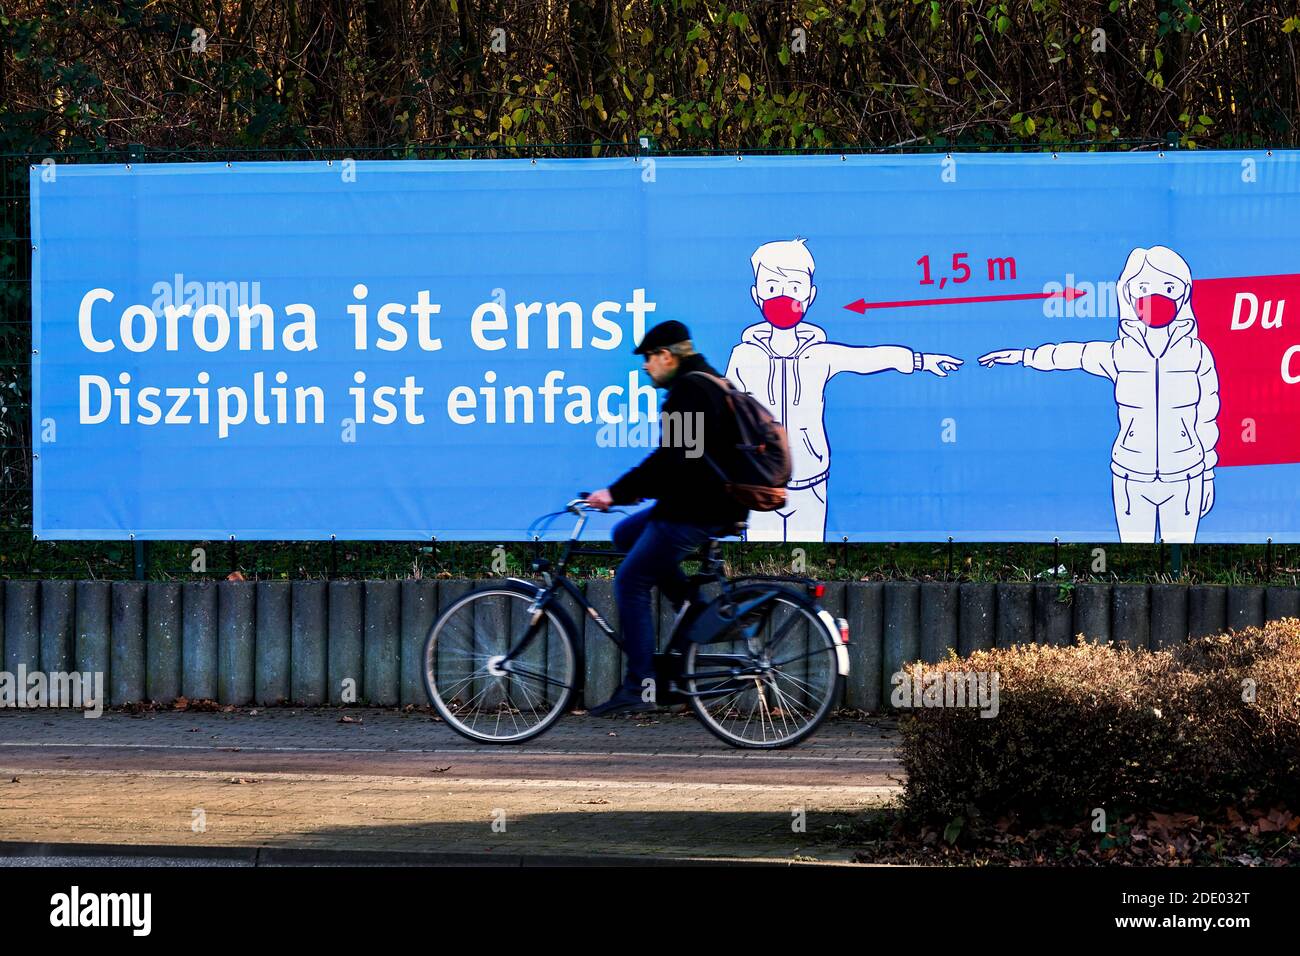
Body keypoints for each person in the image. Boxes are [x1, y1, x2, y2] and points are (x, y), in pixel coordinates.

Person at [977, 245, 1220, 543]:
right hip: (1132, 476)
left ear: (1183, 293)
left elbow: (1207, 417)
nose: (1157, 297)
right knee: (1136, 563)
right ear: (1128, 294)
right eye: (1144, 287)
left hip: (1186, 476)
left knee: (1177, 564)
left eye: (1168, 287)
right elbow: (1071, 355)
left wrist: (1207, 474)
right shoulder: (1119, 353)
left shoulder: (1197, 355)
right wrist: (1024, 356)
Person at [726, 238, 962, 541]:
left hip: (810, 482)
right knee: (759, 562)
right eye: (772, 287)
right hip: (760, 479)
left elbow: (868, 358)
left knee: (804, 563)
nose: (783, 297)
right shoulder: (744, 356)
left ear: (810, 295)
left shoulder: (820, 354)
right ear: (756, 294)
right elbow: (728, 408)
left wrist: (919, 360)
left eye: (794, 288)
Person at [584, 320, 749, 716]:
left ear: (666, 356)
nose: (644, 367)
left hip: (698, 507)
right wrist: (630, 494)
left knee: (630, 580)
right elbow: (681, 459)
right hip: (703, 501)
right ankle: (692, 607)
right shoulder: (710, 381)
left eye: (648, 359)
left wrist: (615, 492)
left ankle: (640, 686)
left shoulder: (690, 390)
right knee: (626, 535)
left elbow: (674, 459)